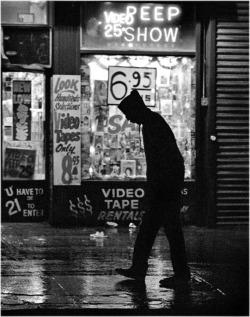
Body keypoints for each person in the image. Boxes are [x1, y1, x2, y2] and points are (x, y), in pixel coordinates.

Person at [115, 90, 190, 288]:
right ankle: (139, 269)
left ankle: (180, 275)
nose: (128, 118)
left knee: (170, 231)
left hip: (166, 187)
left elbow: (159, 161)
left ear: (136, 110)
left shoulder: (151, 125)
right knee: (149, 230)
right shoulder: (151, 122)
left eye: (128, 114)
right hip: (166, 185)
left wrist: (155, 190)